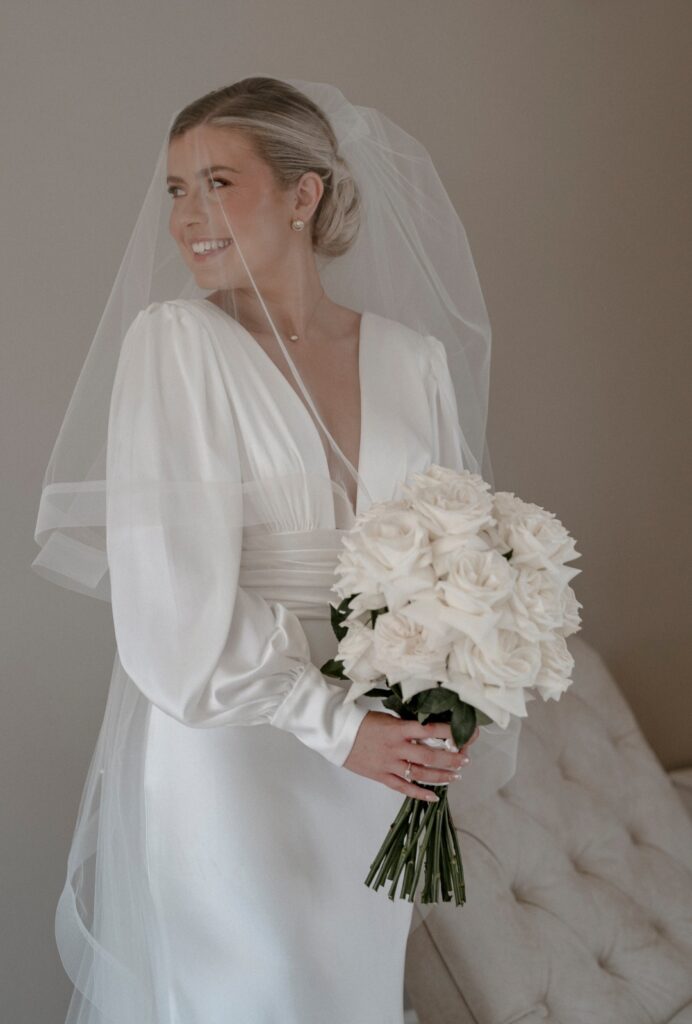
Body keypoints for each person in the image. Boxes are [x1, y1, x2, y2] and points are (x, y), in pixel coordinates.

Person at [33, 76, 519, 1024]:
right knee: (254, 994)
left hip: (383, 754)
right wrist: (337, 726)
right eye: (175, 189)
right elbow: (172, 612)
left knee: (354, 992)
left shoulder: (412, 360)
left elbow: (455, 554)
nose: (187, 216)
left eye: (218, 181)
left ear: (307, 195)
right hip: (238, 755)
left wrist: (446, 692)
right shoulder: (176, 345)